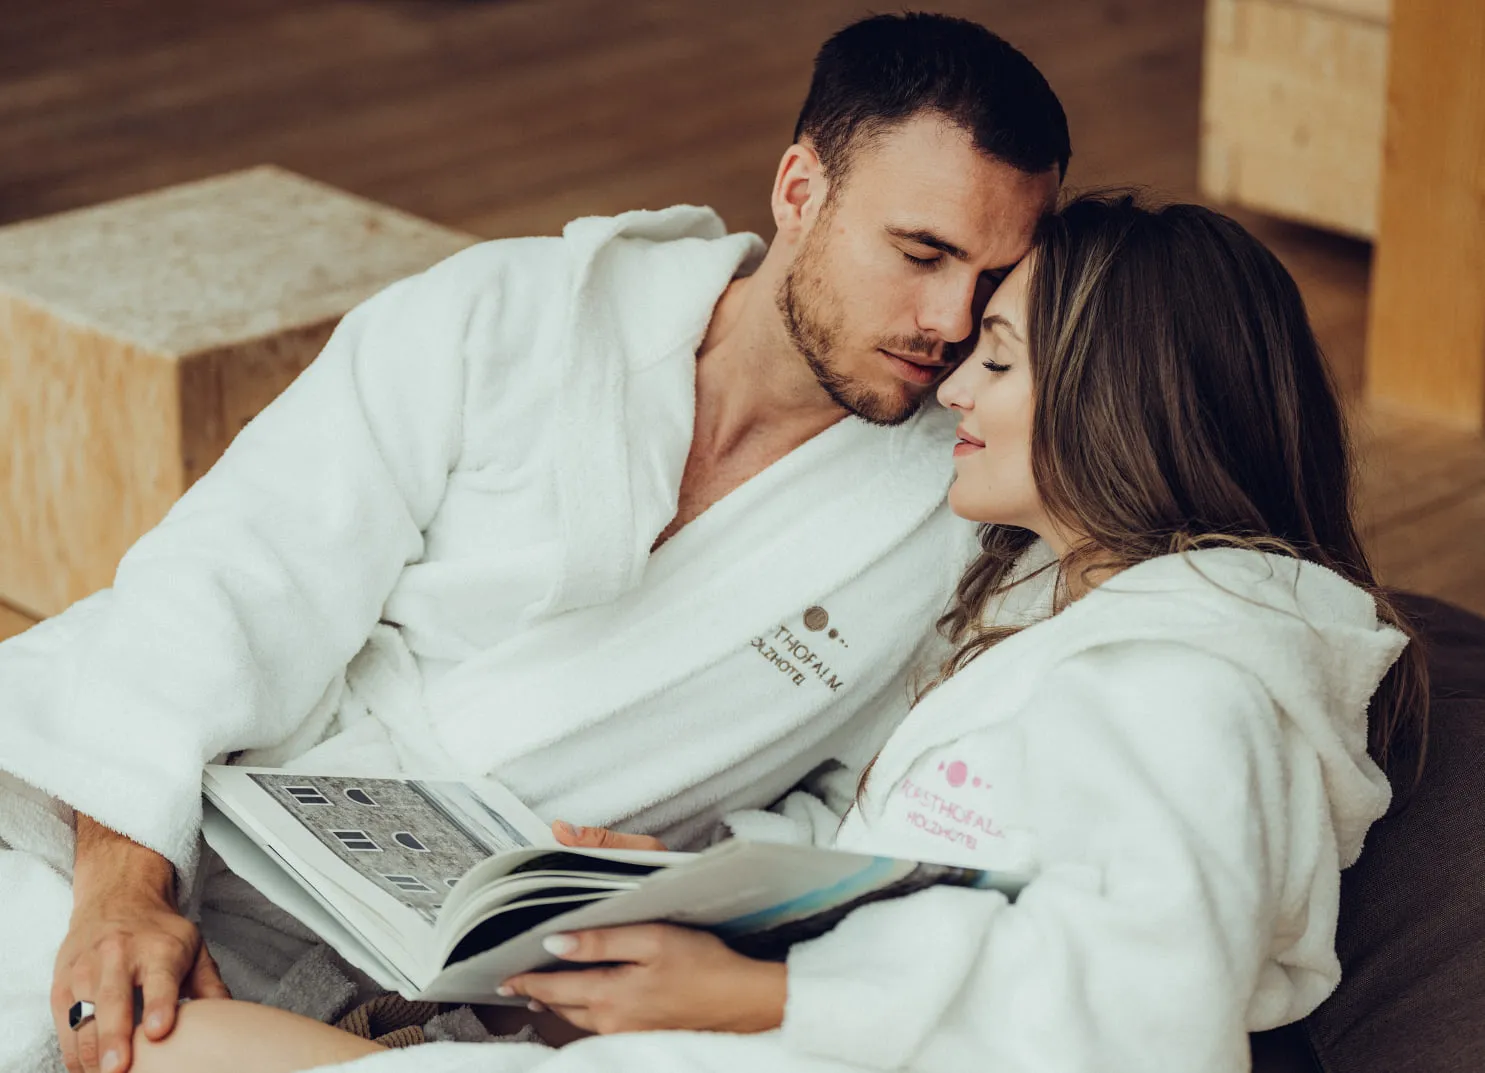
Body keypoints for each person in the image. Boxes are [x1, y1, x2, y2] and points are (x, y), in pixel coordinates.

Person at [0, 13, 1067, 1073]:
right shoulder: (509, 317)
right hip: (182, 824)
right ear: (800, 190)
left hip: (474, 970)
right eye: (921, 251)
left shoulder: (954, 514)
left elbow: (863, 808)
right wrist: (124, 887)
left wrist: (701, 879)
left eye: (993, 279)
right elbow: (229, 576)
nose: (950, 319)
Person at [149, 192, 1425, 1073]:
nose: (955, 389)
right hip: (785, 1031)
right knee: (162, 1034)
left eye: (999, 355)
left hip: (808, 1043)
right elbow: (920, 854)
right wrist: (678, 880)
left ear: (1115, 397)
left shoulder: (1188, 688)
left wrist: (762, 990)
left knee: (165, 1042)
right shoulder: (1056, 609)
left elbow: (1150, 1013)